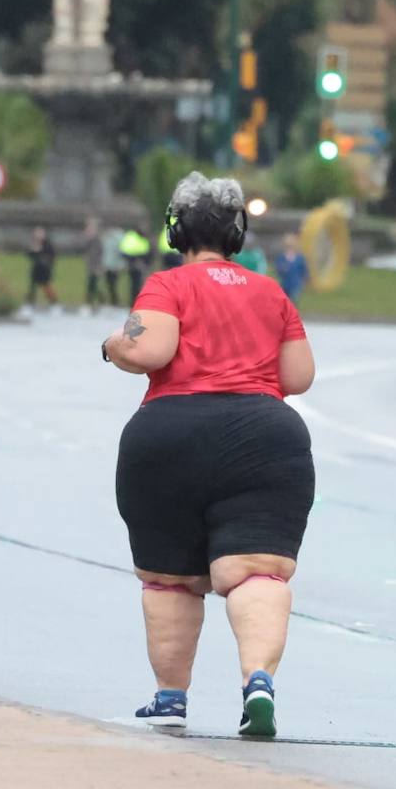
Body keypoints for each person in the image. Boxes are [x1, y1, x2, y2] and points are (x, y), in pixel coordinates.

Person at [101, 172, 316, 737]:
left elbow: (151, 349)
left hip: (170, 434)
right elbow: (299, 376)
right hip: (265, 436)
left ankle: (171, 698)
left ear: (177, 231)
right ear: (238, 232)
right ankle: (258, 683)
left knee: (169, 577)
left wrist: (112, 346)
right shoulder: (272, 293)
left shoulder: (167, 286)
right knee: (257, 573)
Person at [26, 227, 58, 309]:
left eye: (40, 234)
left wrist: (40, 253)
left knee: (47, 287)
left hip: (45, 270)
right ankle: (30, 304)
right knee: (32, 287)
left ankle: (54, 303)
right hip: (36, 269)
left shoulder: (47, 245)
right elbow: (30, 255)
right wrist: (34, 251)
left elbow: (51, 256)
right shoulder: (34, 244)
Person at [119, 226, 152, 302]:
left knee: (135, 283)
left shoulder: (131, 237)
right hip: (134, 263)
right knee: (136, 283)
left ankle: (134, 300)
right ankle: (135, 300)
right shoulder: (136, 238)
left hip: (135, 263)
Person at [275, 234, 310, 303]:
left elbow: (304, 271)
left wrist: (304, 281)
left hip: (296, 284)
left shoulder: (299, 258)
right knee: (285, 302)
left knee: (294, 301)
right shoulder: (281, 258)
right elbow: (278, 270)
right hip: (285, 284)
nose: (289, 247)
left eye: (290, 245)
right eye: (287, 246)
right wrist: (283, 269)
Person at [81, 217, 105, 313]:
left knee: (93, 285)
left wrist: (98, 266)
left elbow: (98, 254)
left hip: (95, 265)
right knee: (92, 284)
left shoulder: (97, 241)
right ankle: (92, 301)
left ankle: (97, 301)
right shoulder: (90, 241)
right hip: (91, 265)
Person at [101, 225, 125, 307]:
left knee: (113, 284)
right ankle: (112, 301)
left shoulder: (118, 239)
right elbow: (105, 253)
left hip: (115, 266)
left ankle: (115, 301)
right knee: (109, 284)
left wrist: (120, 265)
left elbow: (121, 253)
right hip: (108, 265)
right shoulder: (107, 239)